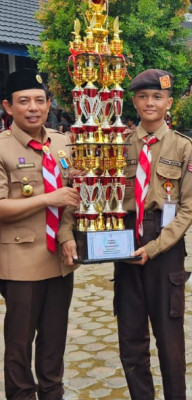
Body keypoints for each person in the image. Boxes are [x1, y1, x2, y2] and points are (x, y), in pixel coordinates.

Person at [113, 69, 192, 399]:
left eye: (157, 97)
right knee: (131, 341)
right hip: (124, 243)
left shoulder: (183, 147)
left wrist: (155, 246)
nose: (150, 103)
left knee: (170, 343)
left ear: (169, 102)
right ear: (133, 102)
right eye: (143, 96)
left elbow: (190, 207)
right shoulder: (118, 145)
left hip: (164, 247)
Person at [0, 69, 80, 399]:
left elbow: (74, 197)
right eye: (23, 101)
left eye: (39, 100)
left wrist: (68, 234)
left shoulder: (62, 142)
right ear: (8, 107)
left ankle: (52, 394)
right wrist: (49, 197)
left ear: (49, 104)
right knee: (19, 347)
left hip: (60, 259)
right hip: (20, 263)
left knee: (54, 342)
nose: (33, 107)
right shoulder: (2, 149)